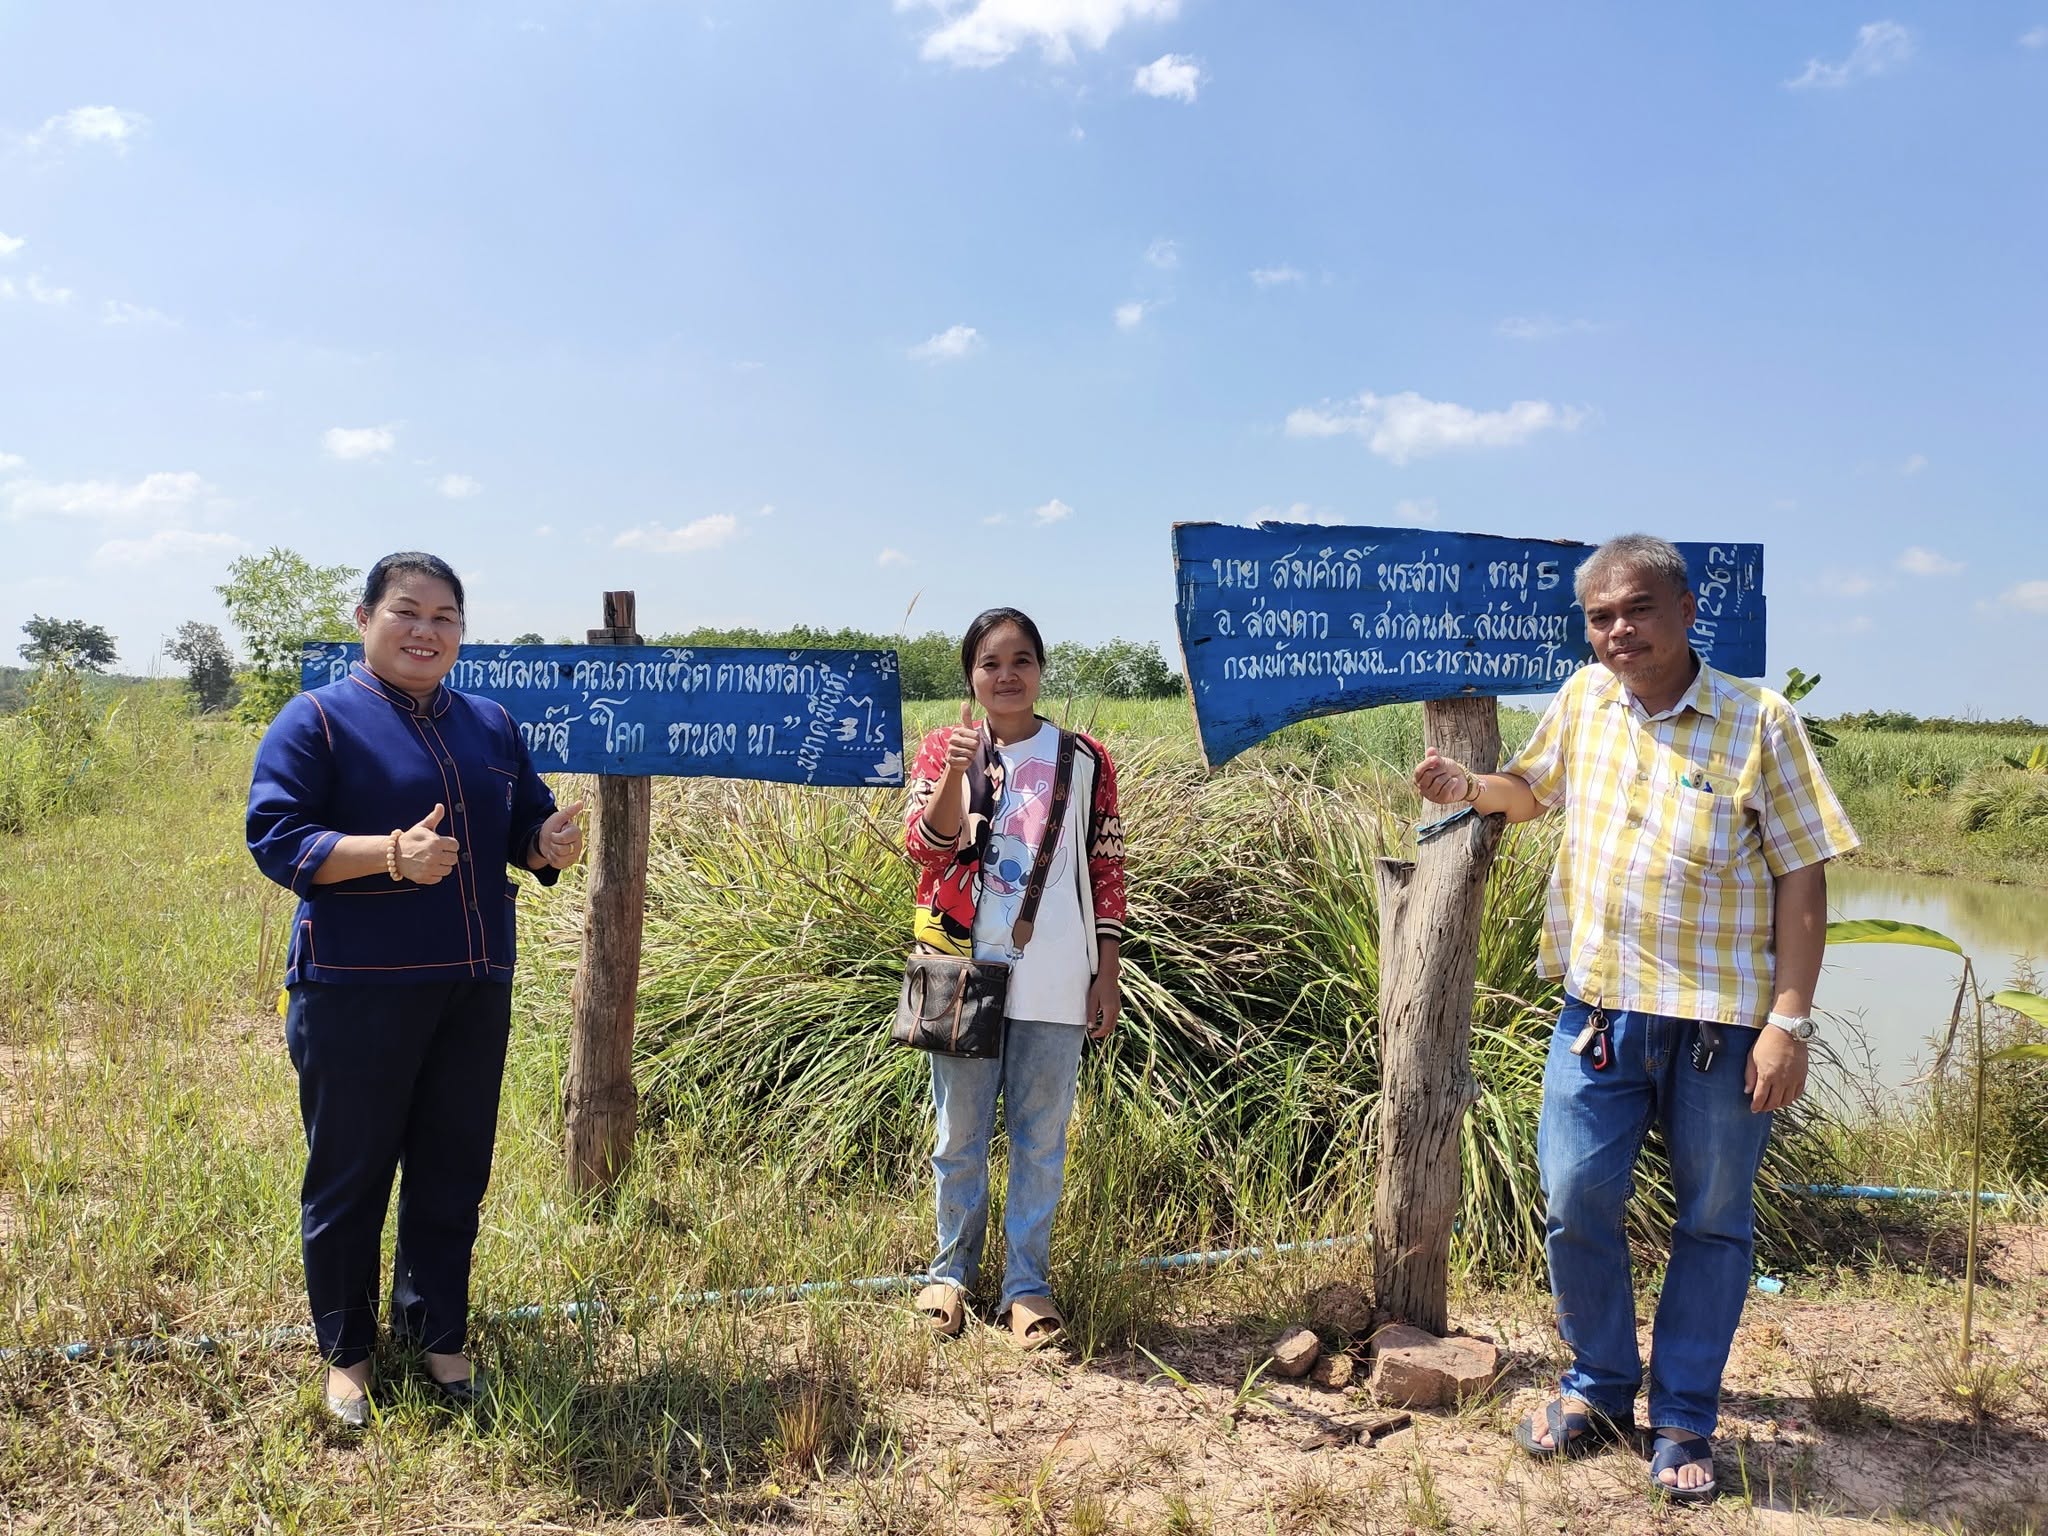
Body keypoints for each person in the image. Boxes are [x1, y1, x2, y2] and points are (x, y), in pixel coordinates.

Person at [1412, 534, 1856, 1503]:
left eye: (1636, 609)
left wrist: (1789, 1021)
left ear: (1686, 611)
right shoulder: (1582, 701)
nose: (1616, 630)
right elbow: (1529, 792)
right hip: (1597, 1017)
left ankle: (1684, 1417)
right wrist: (1470, 790)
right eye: (1600, 615)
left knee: (1708, 1223)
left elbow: (1801, 876)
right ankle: (1598, 1385)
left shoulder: (1757, 722)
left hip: (1720, 1027)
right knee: (1573, 1198)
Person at [245, 552, 585, 1428]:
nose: (426, 630)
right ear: (364, 619)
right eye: (407, 611)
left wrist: (544, 842)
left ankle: (438, 1333)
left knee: (452, 1165)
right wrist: (388, 853)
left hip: (472, 986)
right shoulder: (319, 720)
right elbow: (278, 839)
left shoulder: (490, 724)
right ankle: (347, 1355)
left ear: (462, 634)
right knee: (349, 1173)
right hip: (355, 989)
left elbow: (519, 826)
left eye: (445, 617)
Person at [901, 608, 1127, 1348]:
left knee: (1040, 1139)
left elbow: (1105, 867)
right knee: (958, 1133)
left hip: (1059, 973)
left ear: (1041, 671)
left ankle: (1027, 1286)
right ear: (970, 673)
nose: (1006, 675)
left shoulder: (1086, 758)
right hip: (960, 971)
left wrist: (1106, 973)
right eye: (990, 662)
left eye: (1021, 660)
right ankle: (950, 1275)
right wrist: (958, 773)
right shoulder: (944, 748)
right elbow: (925, 852)